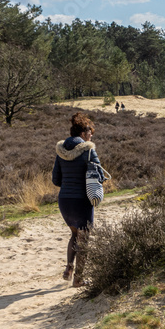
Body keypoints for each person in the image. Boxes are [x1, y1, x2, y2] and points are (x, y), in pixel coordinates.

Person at [52, 112, 103, 287]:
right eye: (90, 132)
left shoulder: (61, 152)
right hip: (82, 200)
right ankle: (78, 279)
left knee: (74, 234)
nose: (91, 136)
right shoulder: (89, 151)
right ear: (83, 133)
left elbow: (55, 180)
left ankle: (69, 268)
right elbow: (100, 175)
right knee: (85, 238)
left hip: (65, 200)